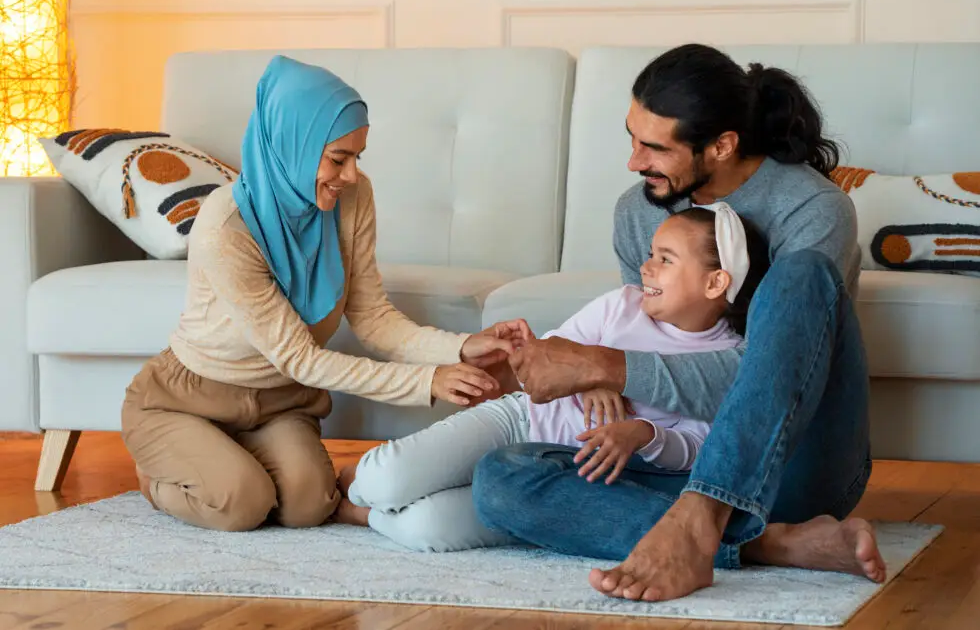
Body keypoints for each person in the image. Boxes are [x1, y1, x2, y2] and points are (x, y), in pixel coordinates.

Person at [470, 43, 886, 601]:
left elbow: (776, 380)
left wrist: (602, 365)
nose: (634, 161)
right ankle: (767, 544)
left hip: (795, 465)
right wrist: (582, 380)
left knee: (801, 275)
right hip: (675, 455)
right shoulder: (638, 210)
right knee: (502, 478)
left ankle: (702, 518)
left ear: (721, 146)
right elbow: (644, 344)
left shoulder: (811, 209)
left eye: (654, 147)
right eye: (632, 137)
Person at [120, 55, 524, 532]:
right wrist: (426, 381)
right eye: (338, 158)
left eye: (357, 157)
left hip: (279, 402)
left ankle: (236, 459)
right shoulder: (225, 226)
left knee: (309, 505)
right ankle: (158, 476)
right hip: (187, 399)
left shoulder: (352, 198)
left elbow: (373, 317)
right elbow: (299, 357)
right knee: (242, 506)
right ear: (292, 144)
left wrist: (460, 347)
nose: (351, 175)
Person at [333, 203, 770, 552]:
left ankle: (364, 513)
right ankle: (358, 485)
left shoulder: (724, 360)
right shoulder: (623, 305)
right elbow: (552, 352)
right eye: (652, 254)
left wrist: (643, 433)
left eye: (665, 259)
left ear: (714, 283)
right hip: (523, 422)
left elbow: (696, 447)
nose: (647, 266)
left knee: (425, 528)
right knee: (383, 481)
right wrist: (595, 376)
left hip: (567, 479)